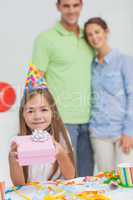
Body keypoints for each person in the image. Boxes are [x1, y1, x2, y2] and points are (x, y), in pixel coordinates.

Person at [32, 0, 94, 176]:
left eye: (75, 5)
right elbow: (35, 80)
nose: (71, 10)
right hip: (63, 119)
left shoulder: (88, 37)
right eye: (66, 5)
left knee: (87, 178)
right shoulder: (45, 39)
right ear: (58, 7)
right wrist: (39, 118)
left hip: (91, 120)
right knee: (66, 177)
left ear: (81, 5)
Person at [9, 65, 75, 186]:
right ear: (22, 114)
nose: (37, 116)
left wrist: (60, 153)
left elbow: (70, 176)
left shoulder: (61, 135)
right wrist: (13, 161)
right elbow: (19, 185)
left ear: (52, 112)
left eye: (43, 109)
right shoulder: (17, 141)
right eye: (30, 111)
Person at [84, 17, 133, 171]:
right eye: (89, 34)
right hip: (98, 134)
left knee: (126, 181)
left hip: (121, 133)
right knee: (106, 182)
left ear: (106, 32)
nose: (94, 37)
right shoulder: (91, 65)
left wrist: (129, 131)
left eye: (97, 32)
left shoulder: (124, 61)